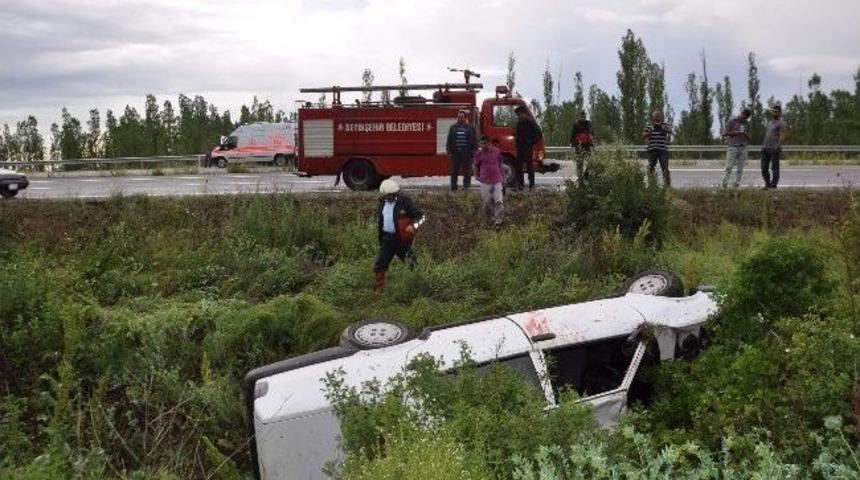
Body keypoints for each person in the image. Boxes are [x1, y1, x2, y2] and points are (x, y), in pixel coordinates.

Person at [373, 179, 425, 293]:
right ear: (384, 194)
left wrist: (413, 226)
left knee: (412, 264)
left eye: (393, 194)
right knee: (380, 264)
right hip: (387, 239)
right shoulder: (381, 204)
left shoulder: (405, 202)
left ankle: (419, 288)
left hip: (402, 240)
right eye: (388, 195)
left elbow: (421, 216)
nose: (391, 197)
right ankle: (379, 290)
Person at [473, 135, 505, 227]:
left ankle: (499, 221)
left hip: (497, 181)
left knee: (499, 201)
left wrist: (504, 178)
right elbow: (475, 165)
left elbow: (500, 164)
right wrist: (476, 175)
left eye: (484, 144)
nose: (482, 146)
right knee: (486, 203)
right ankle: (490, 220)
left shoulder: (497, 151)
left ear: (489, 143)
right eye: (481, 144)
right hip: (485, 181)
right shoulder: (478, 154)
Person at [445, 109, 477, 191]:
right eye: (459, 117)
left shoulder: (470, 128)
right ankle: (454, 188)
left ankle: (466, 187)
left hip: (467, 154)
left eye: (462, 117)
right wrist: (449, 152)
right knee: (454, 172)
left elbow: (475, 141)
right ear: (457, 118)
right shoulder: (453, 128)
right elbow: (449, 141)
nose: (460, 119)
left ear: (464, 118)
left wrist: (473, 153)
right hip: (456, 154)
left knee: (467, 173)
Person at [514, 105, 543, 190]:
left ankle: (531, 185)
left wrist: (531, 142)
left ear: (524, 113)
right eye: (518, 115)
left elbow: (539, 134)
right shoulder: (519, 123)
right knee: (518, 167)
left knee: (529, 167)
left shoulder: (530, 122)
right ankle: (521, 185)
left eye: (519, 114)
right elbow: (518, 136)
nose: (518, 116)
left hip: (527, 148)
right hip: (520, 148)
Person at [642, 110, 673, 187]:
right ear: (652, 117)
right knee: (650, 167)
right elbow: (643, 136)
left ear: (661, 117)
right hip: (652, 150)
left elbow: (670, 131)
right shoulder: (649, 126)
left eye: (658, 115)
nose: (656, 117)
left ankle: (667, 187)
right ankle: (652, 186)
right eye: (655, 116)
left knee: (665, 168)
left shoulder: (665, 125)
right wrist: (650, 132)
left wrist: (662, 128)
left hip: (662, 150)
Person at [722, 108, 752, 188]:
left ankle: (736, 185)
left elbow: (750, 137)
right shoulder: (732, 121)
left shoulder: (747, 124)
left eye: (746, 117)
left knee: (740, 168)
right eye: (743, 115)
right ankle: (724, 185)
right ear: (741, 113)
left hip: (743, 147)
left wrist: (746, 134)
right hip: (733, 147)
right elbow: (725, 133)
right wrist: (735, 132)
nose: (744, 118)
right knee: (729, 167)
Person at [761, 104, 786, 189]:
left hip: (774, 148)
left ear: (780, 113)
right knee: (764, 167)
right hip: (765, 147)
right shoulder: (770, 122)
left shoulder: (781, 123)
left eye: (776, 112)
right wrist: (763, 145)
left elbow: (782, 136)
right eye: (773, 111)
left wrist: (777, 146)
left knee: (774, 168)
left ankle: (773, 184)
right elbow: (767, 134)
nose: (774, 113)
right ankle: (767, 183)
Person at [569, 111, 594, 179]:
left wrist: (592, 143)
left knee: (591, 161)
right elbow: (572, 135)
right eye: (582, 117)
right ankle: (580, 178)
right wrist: (573, 144)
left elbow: (592, 134)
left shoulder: (588, 124)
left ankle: (586, 175)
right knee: (580, 163)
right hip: (579, 147)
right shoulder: (576, 124)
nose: (583, 118)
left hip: (587, 146)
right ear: (579, 117)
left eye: (584, 117)